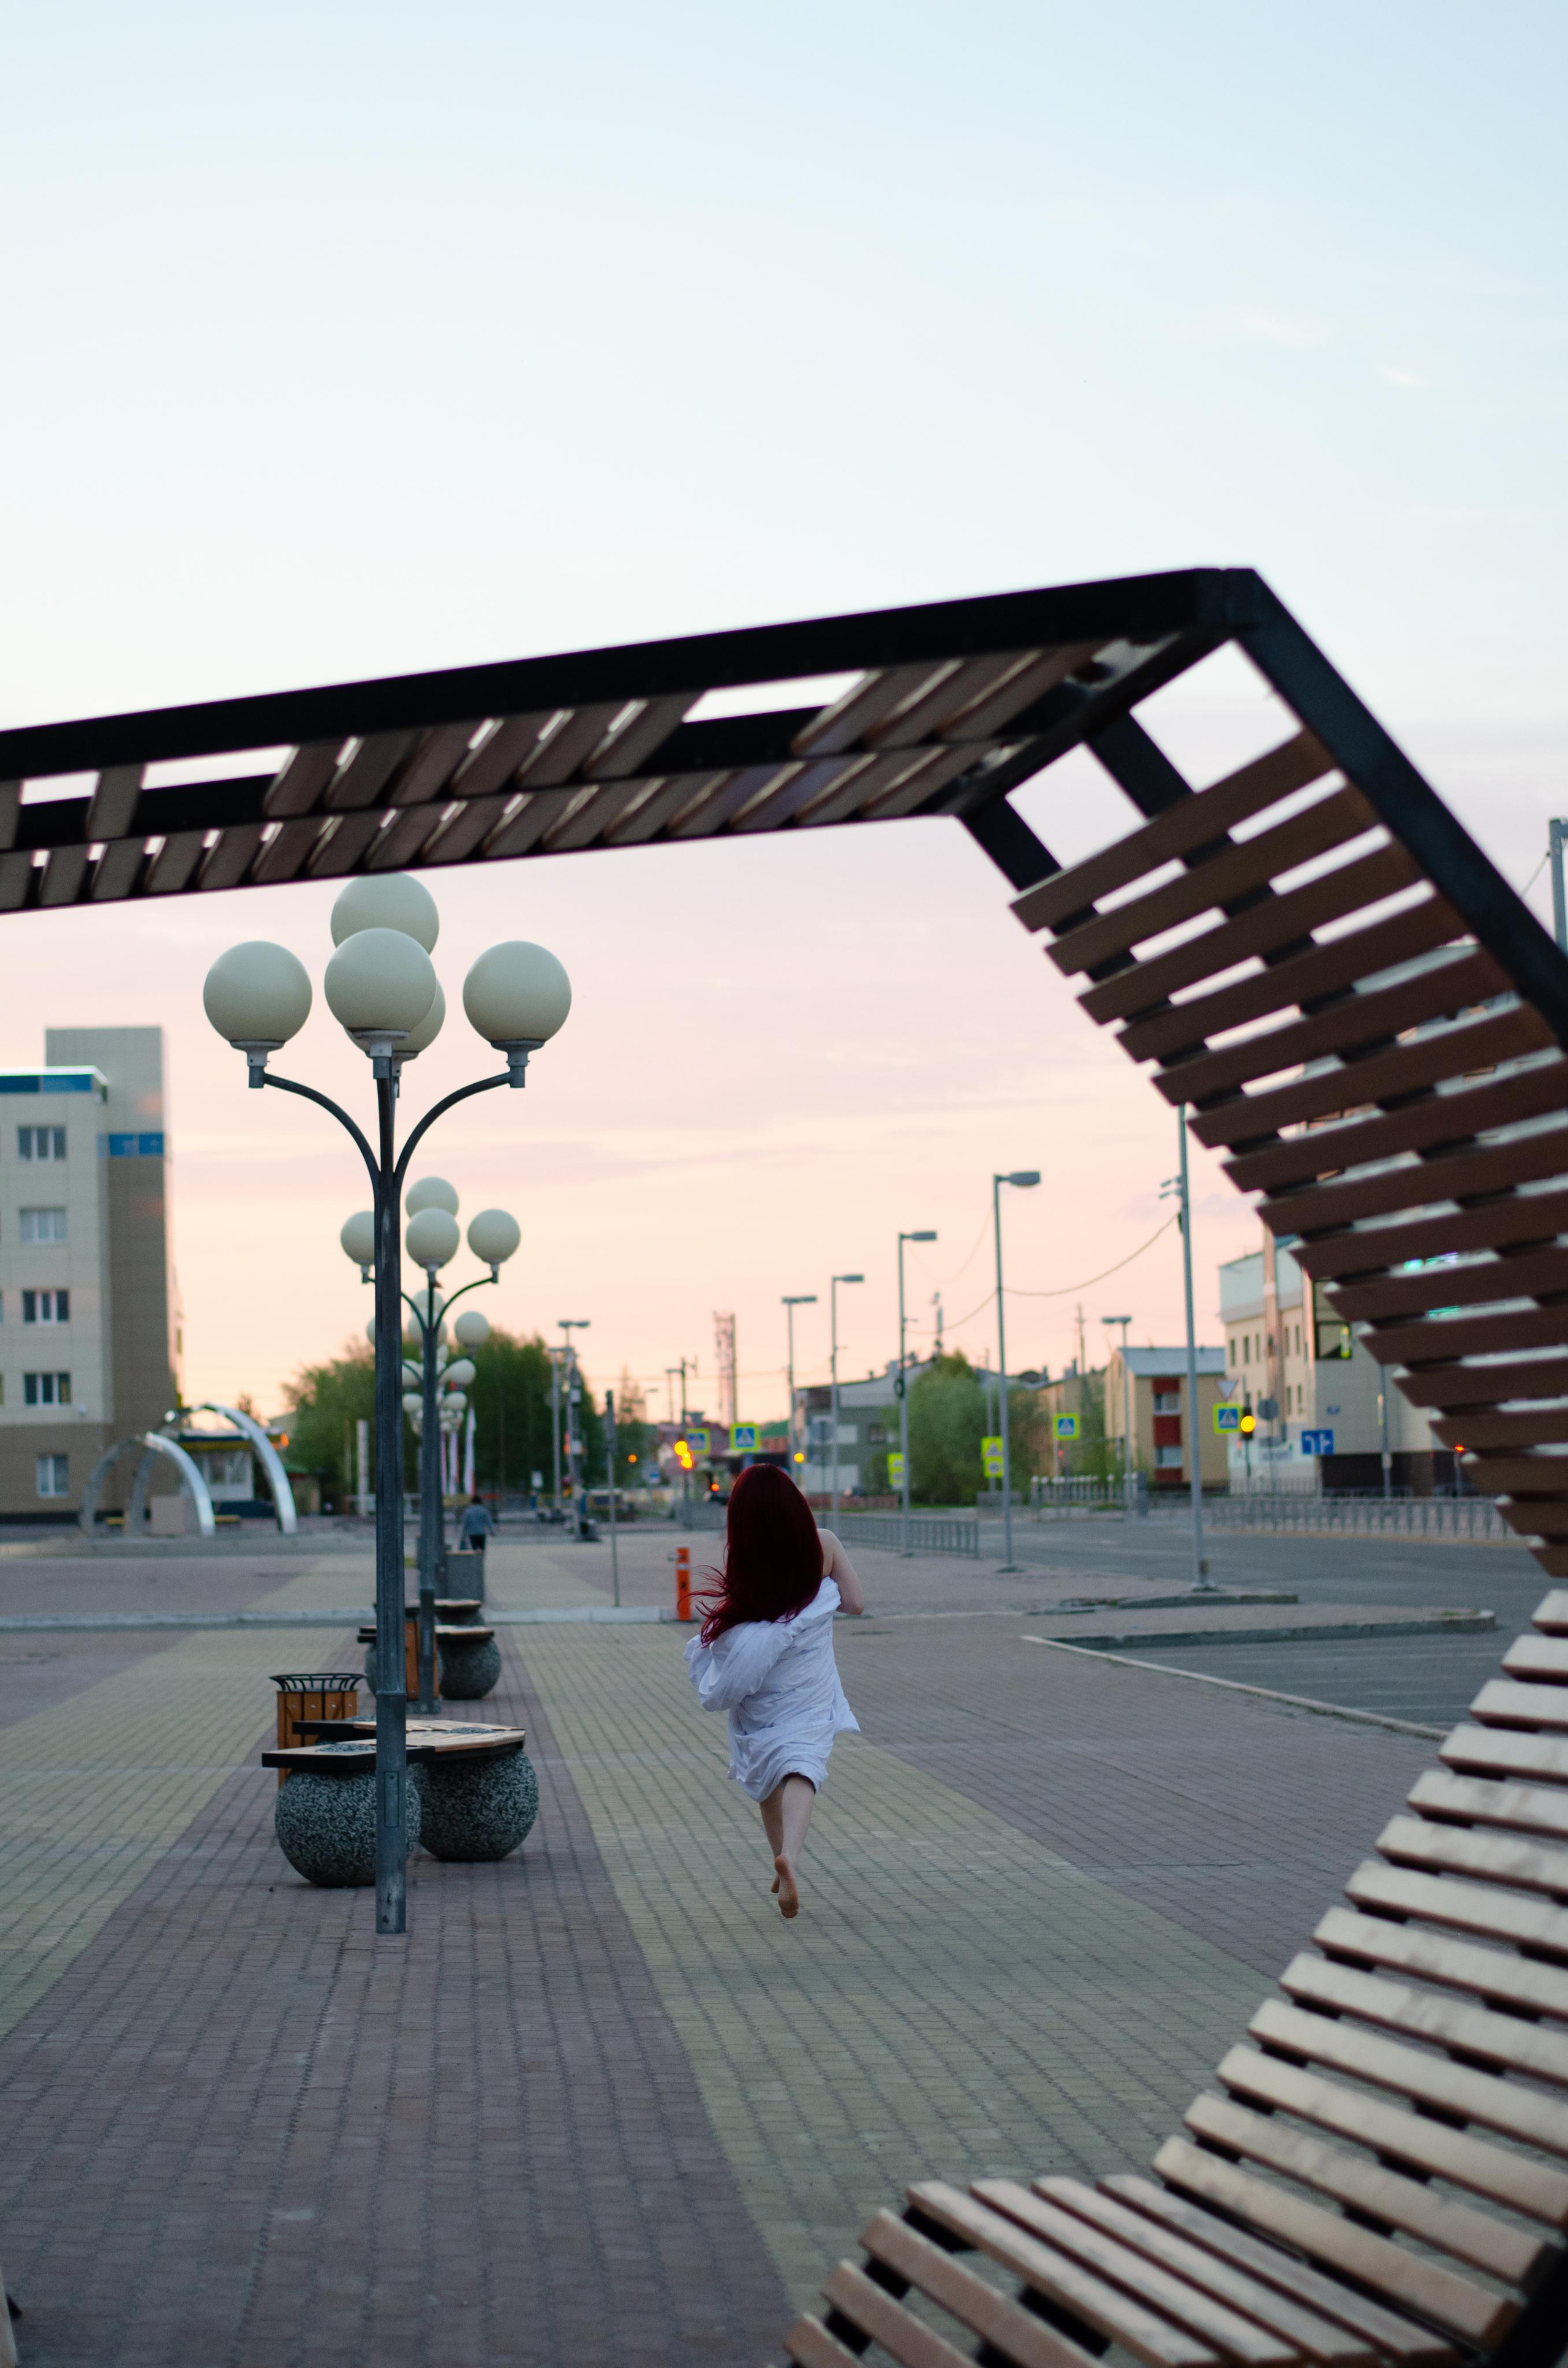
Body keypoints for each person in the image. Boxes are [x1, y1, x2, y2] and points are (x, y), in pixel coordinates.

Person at [683, 1462, 864, 1920]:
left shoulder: (746, 1553)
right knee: (803, 1763)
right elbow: (855, 1602)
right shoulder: (822, 1543)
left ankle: (779, 1859)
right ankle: (793, 1859)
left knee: (766, 1766)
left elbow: (743, 1618)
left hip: (764, 1683)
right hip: (807, 1680)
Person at [459, 1492, 495, 1556]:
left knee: (474, 1551)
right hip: (481, 1533)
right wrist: (492, 1532)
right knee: (482, 1551)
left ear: (472, 1502)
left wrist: (463, 1536)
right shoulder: (484, 1510)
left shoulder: (468, 1511)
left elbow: (465, 1525)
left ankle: (476, 1563)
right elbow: (488, 1522)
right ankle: (481, 1562)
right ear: (480, 1502)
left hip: (472, 1534)